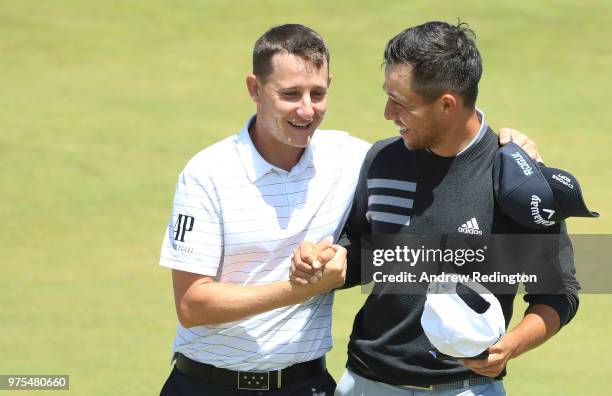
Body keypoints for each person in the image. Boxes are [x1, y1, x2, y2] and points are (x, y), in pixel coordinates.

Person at [158, 23, 541, 396]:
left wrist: (509, 147)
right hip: (206, 384)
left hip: (308, 384)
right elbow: (192, 305)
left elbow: (445, 135)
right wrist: (307, 282)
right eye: (290, 94)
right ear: (255, 88)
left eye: (317, 93)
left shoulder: (350, 158)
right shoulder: (208, 172)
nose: (306, 110)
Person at [291, 22, 579, 395]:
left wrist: (510, 346)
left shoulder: (517, 181)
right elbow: (363, 252)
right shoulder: (383, 159)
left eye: (401, 102)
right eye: (388, 95)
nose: (387, 112)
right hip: (367, 381)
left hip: (466, 387)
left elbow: (559, 291)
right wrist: (327, 259)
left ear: (447, 104)